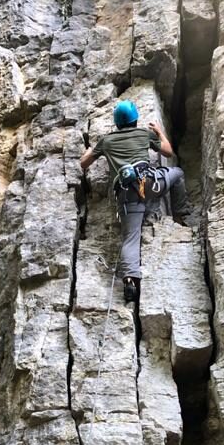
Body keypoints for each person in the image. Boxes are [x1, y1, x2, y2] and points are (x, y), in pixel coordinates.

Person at [79, 99, 193, 302]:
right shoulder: (144, 134)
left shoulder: (106, 141)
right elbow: (168, 151)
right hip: (150, 184)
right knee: (177, 173)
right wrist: (159, 132)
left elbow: (84, 163)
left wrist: (89, 150)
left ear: (116, 122)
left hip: (127, 195)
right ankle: (180, 216)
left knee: (130, 237)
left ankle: (130, 280)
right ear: (135, 119)